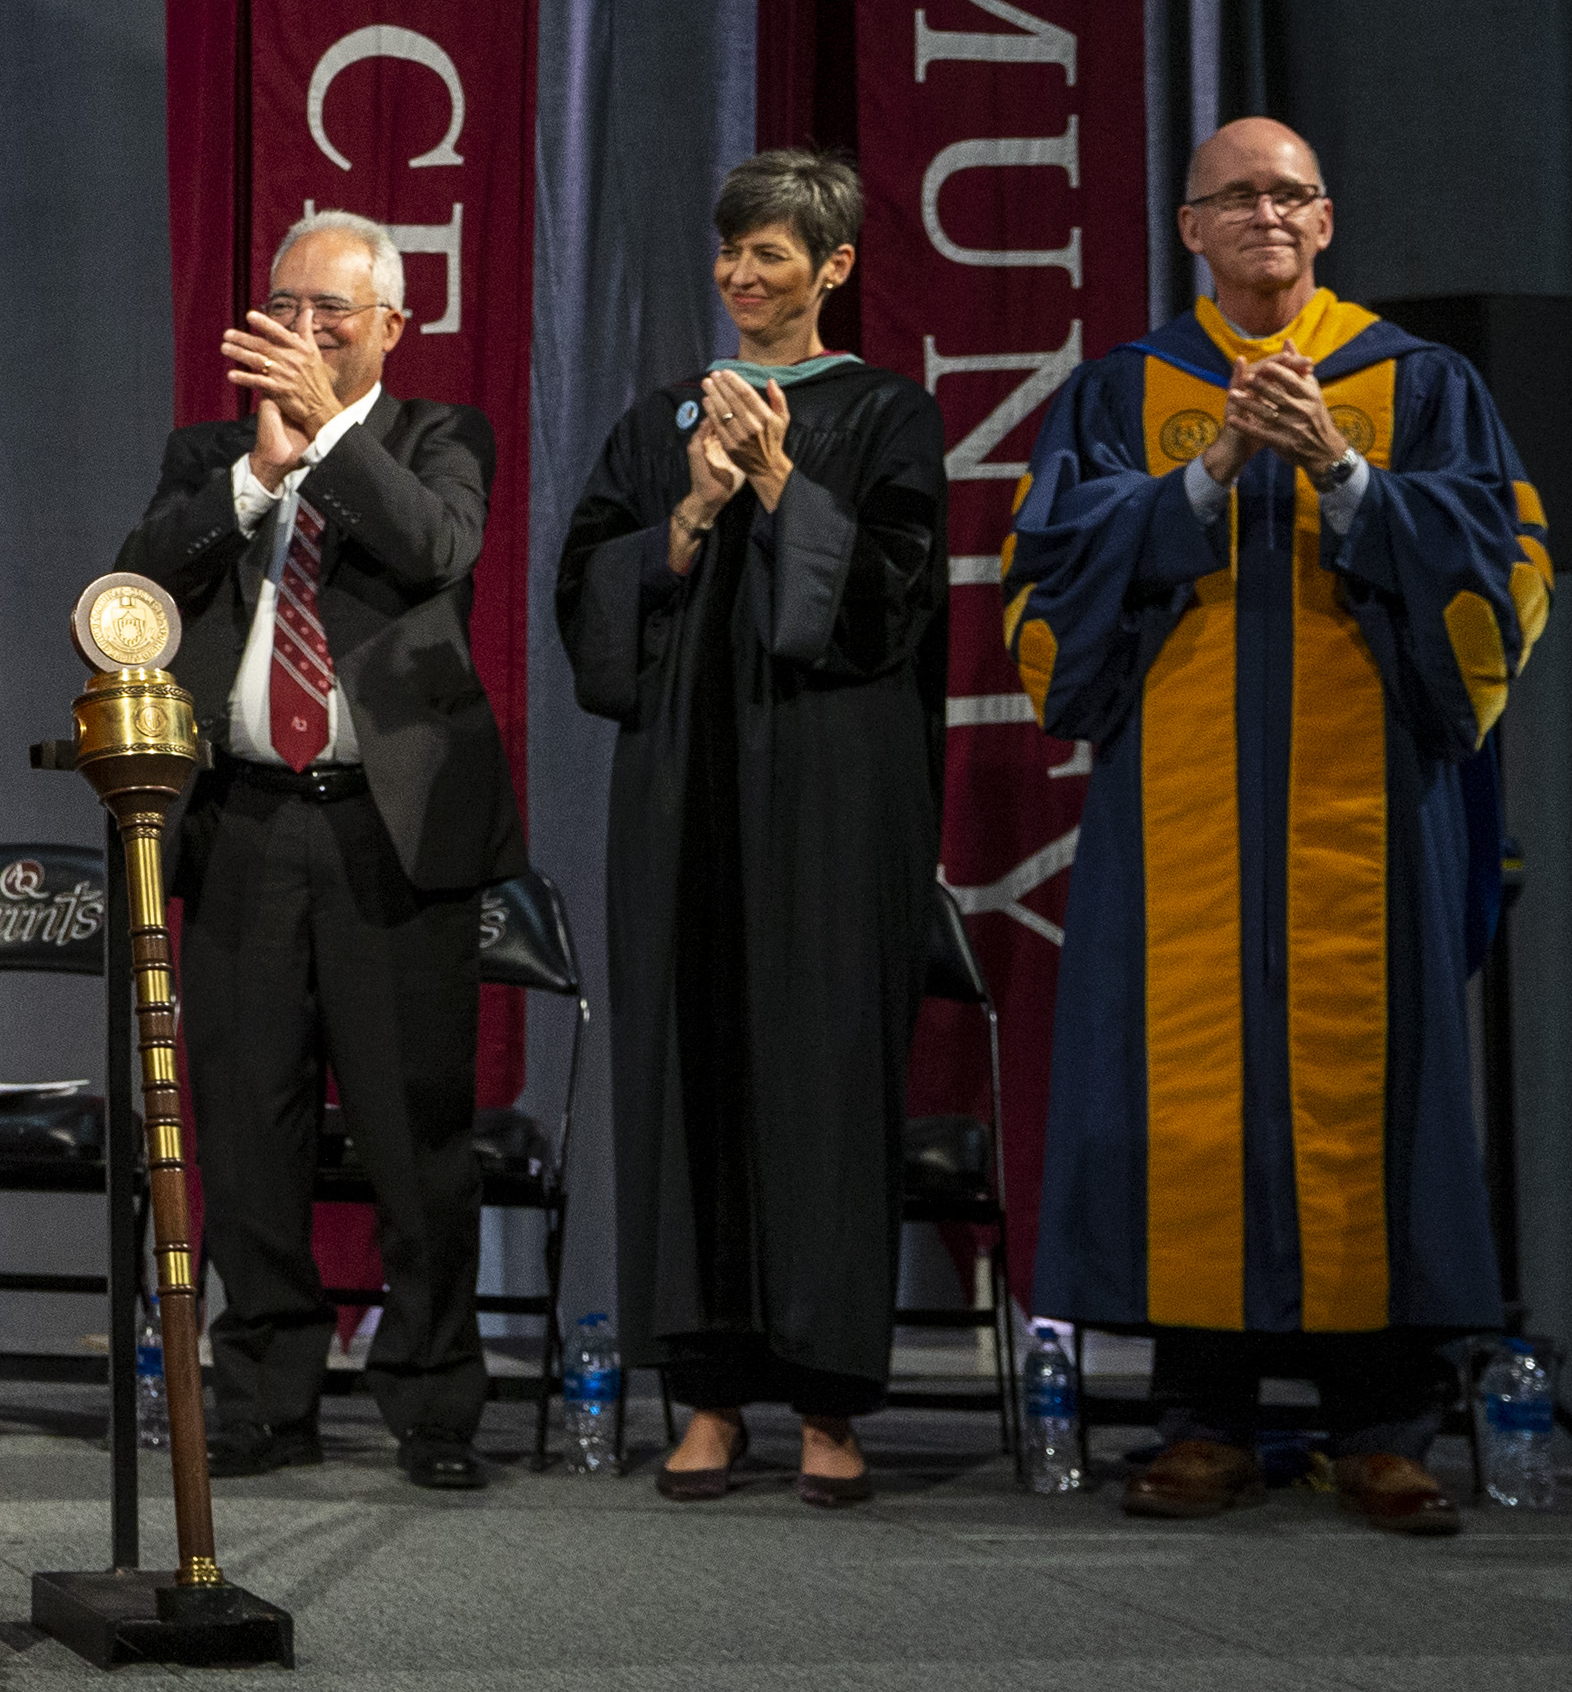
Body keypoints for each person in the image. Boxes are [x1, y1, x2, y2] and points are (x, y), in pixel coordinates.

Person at [1009, 116, 1547, 1536]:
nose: (1262, 213)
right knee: (1190, 1091)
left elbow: (1508, 562)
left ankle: (1383, 1423)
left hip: (1365, 816)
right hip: (1175, 821)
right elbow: (1043, 575)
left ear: (1325, 219)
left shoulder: (1413, 383)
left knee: (1372, 1087)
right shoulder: (1123, 394)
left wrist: (1345, 476)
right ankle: (1201, 1417)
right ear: (1185, 225)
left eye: (1286, 193)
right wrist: (1197, 481)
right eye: (1233, 195)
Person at [555, 150, 947, 1508]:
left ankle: (831, 1406)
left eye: (770, 254)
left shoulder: (887, 415)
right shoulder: (658, 413)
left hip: (834, 790)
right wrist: (693, 507)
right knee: (685, 1056)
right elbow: (588, 598)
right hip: (681, 781)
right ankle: (705, 1396)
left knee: (823, 1073)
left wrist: (781, 483)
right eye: (729, 251)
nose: (740, 275)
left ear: (830, 266)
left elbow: (893, 603)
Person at [115, 212, 517, 1491]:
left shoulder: (440, 436)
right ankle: (265, 1396)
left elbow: (435, 547)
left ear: (389, 325)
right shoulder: (209, 450)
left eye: (330, 309)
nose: (302, 326)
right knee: (246, 1129)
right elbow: (137, 589)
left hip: (389, 833)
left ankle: (435, 1406)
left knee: (414, 1137)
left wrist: (329, 438)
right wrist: (254, 477)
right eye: (283, 303)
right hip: (243, 826)